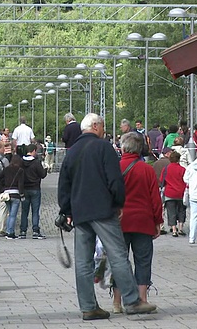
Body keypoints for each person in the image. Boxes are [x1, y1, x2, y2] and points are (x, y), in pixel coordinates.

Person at [58, 113, 157, 320]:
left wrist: (66, 211)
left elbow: (64, 185)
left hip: (80, 212)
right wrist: (118, 203)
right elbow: (114, 180)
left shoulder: (72, 151)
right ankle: (132, 301)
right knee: (118, 254)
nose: (103, 131)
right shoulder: (104, 148)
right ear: (95, 126)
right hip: (102, 210)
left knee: (83, 261)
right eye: (102, 127)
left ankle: (88, 307)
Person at [111, 132, 163, 311]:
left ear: (123, 147)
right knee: (143, 261)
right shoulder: (147, 170)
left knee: (119, 261)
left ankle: (117, 302)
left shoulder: (115, 168)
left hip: (120, 222)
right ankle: (141, 299)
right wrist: (158, 221)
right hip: (143, 221)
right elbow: (155, 199)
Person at [20, 144, 48, 239]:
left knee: (24, 211)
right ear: (33, 151)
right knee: (35, 211)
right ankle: (35, 231)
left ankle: (23, 231)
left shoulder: (21, 162)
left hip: (24, 189)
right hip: (35, 188)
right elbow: (42, 174)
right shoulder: (36, 163)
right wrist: (46, 169)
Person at [0, 155, 25, 239]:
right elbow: (21, 184)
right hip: (16, 195)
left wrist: (2, 189)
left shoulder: (6, 169)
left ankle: (9, 231)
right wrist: (22, 194)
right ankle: (10, 232)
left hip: (6, 194)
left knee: (10, 214)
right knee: (13, 215)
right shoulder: (20, 170)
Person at [161, 151, 187, 237]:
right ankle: (180, 228)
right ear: (178, 159)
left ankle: (174, 230)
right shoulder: (183, 169)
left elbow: (162, 181)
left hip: (169, 193)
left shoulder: (166, 169)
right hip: (181, 193)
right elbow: (186, 181)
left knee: (171, 211)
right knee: (181, 210)